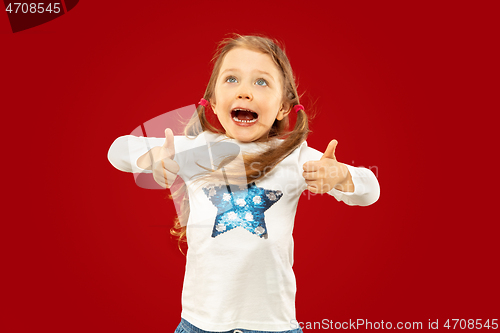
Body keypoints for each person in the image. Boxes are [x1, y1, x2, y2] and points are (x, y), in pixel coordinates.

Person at [107, 34, 380, 333]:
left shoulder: (295, 156)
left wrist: (340, 175)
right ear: (212, 100)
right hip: (200, 325)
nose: (245, 92)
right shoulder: (197, 149)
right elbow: (118, 149)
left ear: (283, 108)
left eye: (261, 82)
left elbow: (371, 190)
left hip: (274, 326)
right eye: (232, 79)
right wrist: (154, 157)